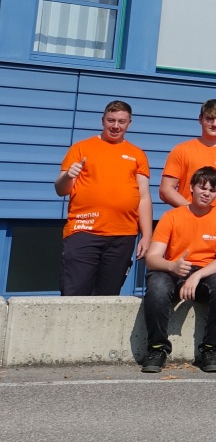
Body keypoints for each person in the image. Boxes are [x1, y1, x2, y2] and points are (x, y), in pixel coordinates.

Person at [140, 167, 216, 374]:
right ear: (191, 188)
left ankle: (210, 349)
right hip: (174, 270)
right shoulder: (172, 216)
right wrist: (171, 266)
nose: (206, 193)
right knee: (156, 284)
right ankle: (157, 348)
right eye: (202, 187)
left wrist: (197, 275)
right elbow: (152, 258)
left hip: (206, 274)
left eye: (212, 190)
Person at [56, 100, 152, 296]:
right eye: (111, 120)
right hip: (84, 230)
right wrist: (68, 176)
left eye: (121, 121)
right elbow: (60, 189)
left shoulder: (137, 154)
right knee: (74, 293)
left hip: (123, 235)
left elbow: (143, 197)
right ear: (103, 121)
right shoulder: (81, 148)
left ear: (129, 124)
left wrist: (147, 235)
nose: (116, 126)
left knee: (108, 296)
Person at [159, 98, 216, 212]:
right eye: (209, 119)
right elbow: (165, 190)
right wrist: (192, 210)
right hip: (188, 222)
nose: (214, 124)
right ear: (200, 119)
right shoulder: (182, 150)